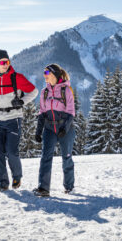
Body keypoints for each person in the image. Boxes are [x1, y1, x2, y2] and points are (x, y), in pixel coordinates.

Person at [0, 50, 38, 191]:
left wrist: (22, 101)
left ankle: (17, 176)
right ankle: (2, 183)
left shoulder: (17, 77)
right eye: (3, 62)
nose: (5, 65)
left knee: (11, 151)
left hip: (13, 119)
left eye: (7, 62)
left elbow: (34, 91)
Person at [33, 63, 75, 197]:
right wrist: (38, 131)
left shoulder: (66, 91)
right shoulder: (44, 92)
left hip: (65, 129)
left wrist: (65, 128)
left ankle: (69, 187)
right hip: (49, 128)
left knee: (66, 157)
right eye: (44, 73)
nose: (44, 76)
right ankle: (43, 188)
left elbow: (71, 112)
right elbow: (42, 112)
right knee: (45, 157)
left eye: (47, 73)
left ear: (54, 75)